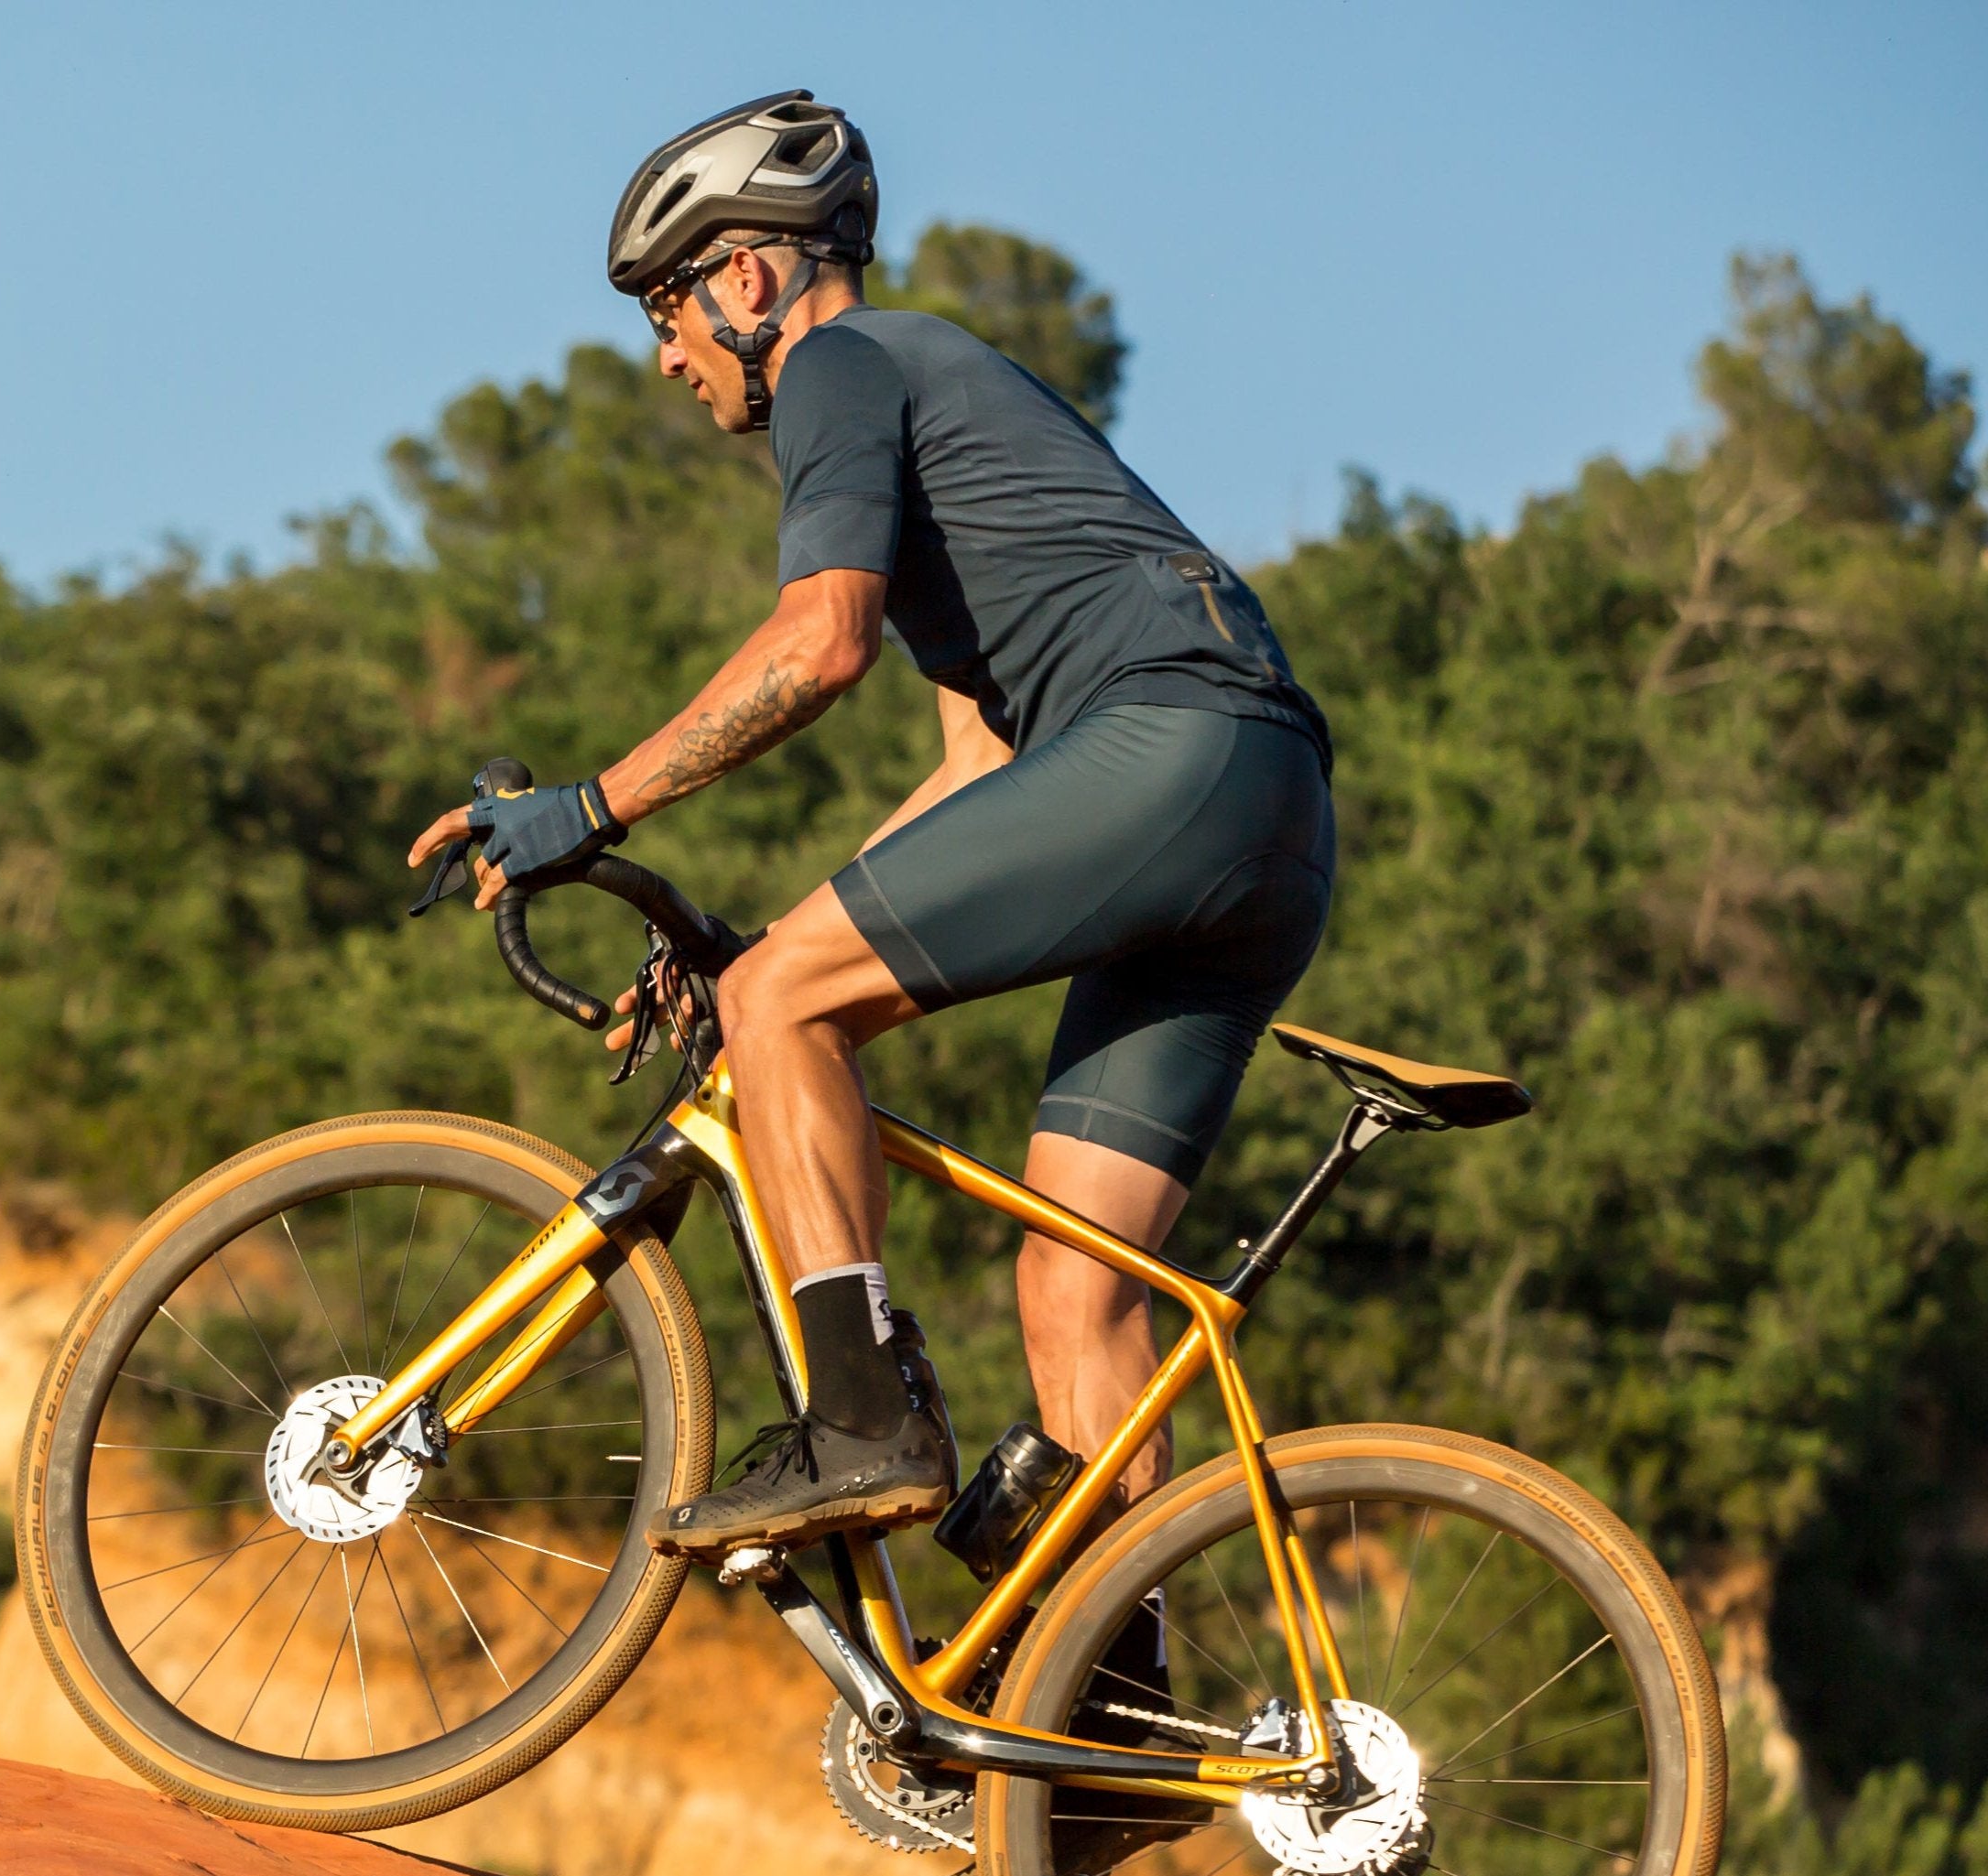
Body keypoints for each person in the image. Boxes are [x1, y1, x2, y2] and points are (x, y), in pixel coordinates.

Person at [406, 92, 1335, 1589]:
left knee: (787, 1010)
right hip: (1267, 807)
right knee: (1078, 1289)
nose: (663, 356)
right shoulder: (959, 398)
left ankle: (859, 1418)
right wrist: (766, 938)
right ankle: (1117, 1706)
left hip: (1164, 750)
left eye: (665, 309)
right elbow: (981, 763)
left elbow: (817, 645)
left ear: (749, 281)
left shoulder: (843, 362)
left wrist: (593, 808)